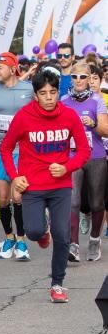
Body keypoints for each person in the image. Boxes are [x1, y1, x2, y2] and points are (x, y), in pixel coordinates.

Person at [2, 67, 91, 303]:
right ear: (36, 95)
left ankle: (57, 284)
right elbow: (6, 147)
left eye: (53, 92)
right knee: (32, 231)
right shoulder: (24, 116)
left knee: (63, 236)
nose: (49, 97)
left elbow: (83, 149)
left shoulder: (69, 115)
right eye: (44, 93)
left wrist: (67, 167)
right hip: (33, 186)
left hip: (61, 185)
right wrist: (14, 176)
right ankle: (43, 233)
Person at [0, 53, 34, 260]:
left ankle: (21, 240)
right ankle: (8, 237)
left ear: (12, 68)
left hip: (24, 148)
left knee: (17, 196)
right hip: (0, 148)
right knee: (2, 197)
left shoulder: (28, 89)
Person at [60, 61, 108, 262]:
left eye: (82, 77)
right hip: (72, 156)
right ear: (71, 79)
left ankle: (95, 239)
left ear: (89, 79)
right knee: (73, 201)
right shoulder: (63, 100)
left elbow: (105, 131)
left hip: (95, 155)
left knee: (97, 202)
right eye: (75, 76)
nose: (78, 80)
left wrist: (93, 123)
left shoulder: (97, 101)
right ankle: (74, 245)